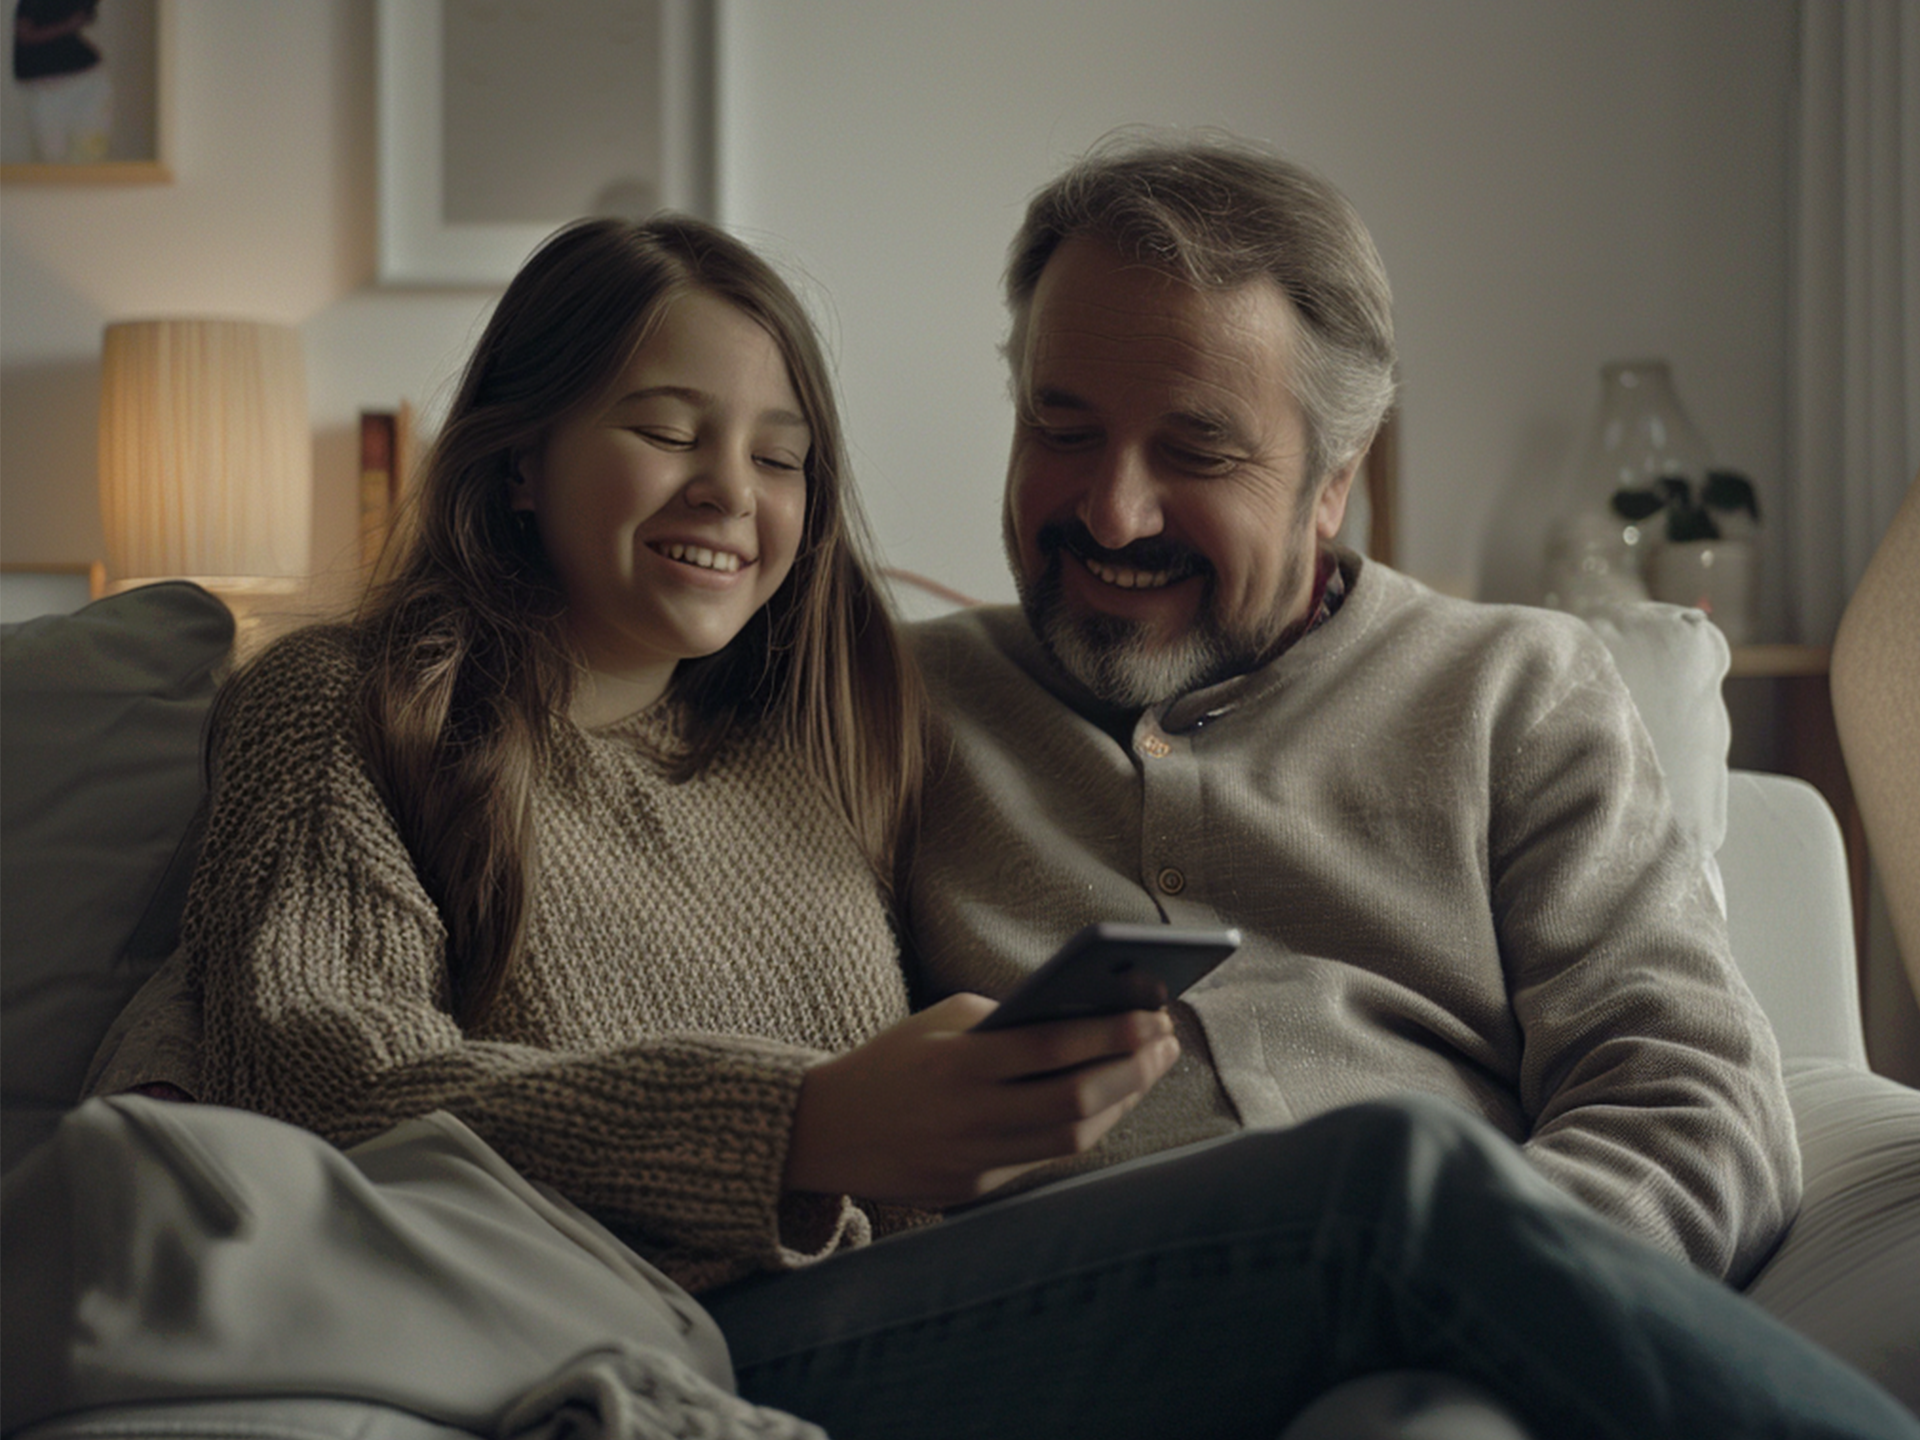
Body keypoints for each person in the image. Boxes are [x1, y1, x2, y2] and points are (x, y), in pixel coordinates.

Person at [88, 210, 1920, 1439]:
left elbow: (1687, 1083)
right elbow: (303, 1072)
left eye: (785, 455)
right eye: (664, 428)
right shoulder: (364, 710)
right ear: (514, 451)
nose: (734, 492)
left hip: (992, 1316)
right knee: (1394, 1196)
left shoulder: (819, 734)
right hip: (681, 1337)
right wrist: (800, 1129)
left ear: (1335, 475)